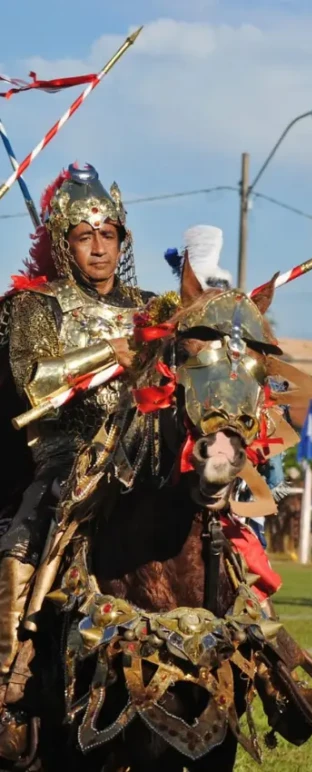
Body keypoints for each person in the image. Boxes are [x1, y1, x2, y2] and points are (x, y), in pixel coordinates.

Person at [0, 164, 153, 741]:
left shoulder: (150, 306)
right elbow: (35, 379)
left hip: (139, 447)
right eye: (85, 237)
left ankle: (259, 656)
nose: (98, 248)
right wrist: (108, 353)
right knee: (22, 542)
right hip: (68, 453)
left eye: (108, 234)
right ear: (64, 244)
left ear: (122, 240)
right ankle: (7, 694)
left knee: (217, 525)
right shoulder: (35, 304)